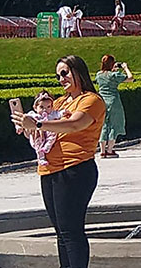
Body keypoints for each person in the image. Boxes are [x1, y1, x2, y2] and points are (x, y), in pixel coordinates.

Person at [11, 55, 106, 268]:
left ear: (78, 71)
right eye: (58, 76)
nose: (61, 79)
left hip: (75, 168)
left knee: (71, 230)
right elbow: (42, 130)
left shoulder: (91, 100)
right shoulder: (60, 102)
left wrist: (38, 124)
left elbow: (74, 124)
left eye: (65, 73)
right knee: (61, 232)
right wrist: (27, 125)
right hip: (49, 170)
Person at [95, 55, 132, 157]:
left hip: (102, 101)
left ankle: (102, 151)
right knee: (114, 125)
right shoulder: (114, 75)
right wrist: (125, 68)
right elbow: (130, 78)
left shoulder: (99, 74)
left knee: (104, 124)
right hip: (113, 101)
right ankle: (110, 150)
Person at [17, 90, 61, 165]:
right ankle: (41, 158)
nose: (45, 110)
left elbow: (59, 114)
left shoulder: (52, 114)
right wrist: (20, 127)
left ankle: (47, 146)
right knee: (38, 142)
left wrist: (63, 112)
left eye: (48, 107)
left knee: (53, 133)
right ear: (35, 107)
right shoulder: (32, 115)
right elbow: (23, 121)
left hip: (49, 133)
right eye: (41, 107)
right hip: (37, 135)